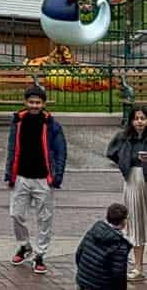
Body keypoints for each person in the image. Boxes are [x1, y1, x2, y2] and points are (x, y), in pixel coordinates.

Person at [7, 84, 67, 275]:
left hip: (43, 178)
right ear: (25, 102)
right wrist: (9, 173)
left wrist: (57, 176)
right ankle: (24, 245)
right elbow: (11, 149)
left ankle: (40, 254)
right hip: (21, 176)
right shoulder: (18, 121)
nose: (34, 106)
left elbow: (60, 151)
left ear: (43, 104)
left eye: (38, 102)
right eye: (31, 102)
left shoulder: (51, 124)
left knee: (44, 219)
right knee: (16, 214)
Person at [107, 105, 147, 279]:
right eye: (137, 118)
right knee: (135, 224)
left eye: (143, 118)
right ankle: (138, 266)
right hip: (133, 180)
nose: (140, 122)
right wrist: (131, 158)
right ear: (131, 120)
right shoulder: (124, 137)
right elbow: (112, 153)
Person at [76, 203, 133, 290]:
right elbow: (118, 275)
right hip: (101, 285)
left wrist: (83, 274)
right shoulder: (120, 245)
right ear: (123, 221)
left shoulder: (94, 229)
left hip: (82, 281)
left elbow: (79, 253)